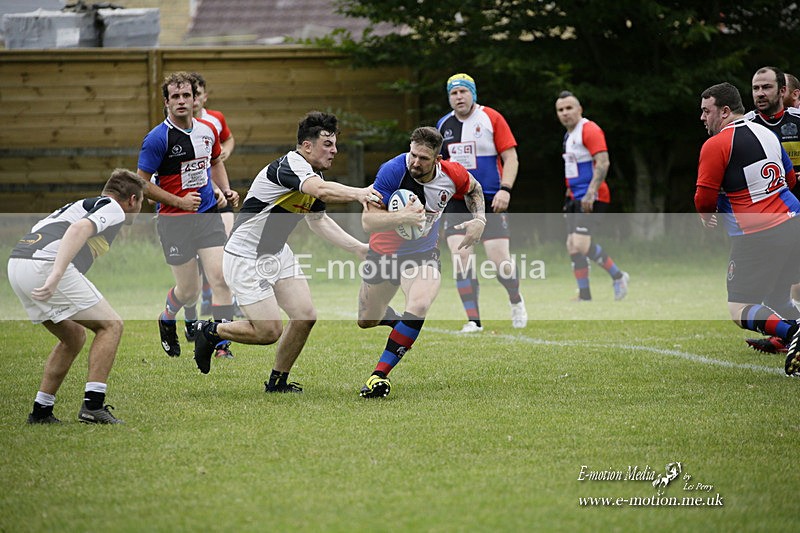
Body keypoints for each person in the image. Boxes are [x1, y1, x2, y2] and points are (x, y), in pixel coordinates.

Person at [192, 111, 382, 391]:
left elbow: (318, 221)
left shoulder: (313, 174)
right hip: (245, 256)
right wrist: (360, 193)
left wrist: (358, 248)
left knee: (305, 315)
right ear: (307, 146)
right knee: (269, 331)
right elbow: (322, 190)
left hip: (277, 253)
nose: (334, 150)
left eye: (335, 144)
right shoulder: (290, 166)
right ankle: (209, 331)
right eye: (327, 144)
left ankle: (277, 382)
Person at [356, 126, 486, 398]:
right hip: (383, 253)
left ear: (438, 159)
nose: (415, 162)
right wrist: (403, 217)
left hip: (422, 254)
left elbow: (475, 189)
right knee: (367, 319)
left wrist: (480, 220)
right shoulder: (392, 171)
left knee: (419, 304)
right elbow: (368, 222)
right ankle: (401, 324)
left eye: (423, 158)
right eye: (413, 154)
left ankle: (378, 375)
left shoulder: (452, 173)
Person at [8, 169, 145, 424]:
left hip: (18, 265)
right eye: (141, 203)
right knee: (111, 325)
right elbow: (78, 229)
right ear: (132, 200)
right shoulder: (114, 208)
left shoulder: (82, 205)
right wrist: (56, 273)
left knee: (73, 336)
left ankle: (41, 410)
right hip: (43, 266)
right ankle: (93, 406)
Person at [695, 82, 800, 378]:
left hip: (759, 233)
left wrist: (706, 215)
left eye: (706, 111)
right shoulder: (767, 133)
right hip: (794, 220)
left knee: (739, 308)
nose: (702, 117)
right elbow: (790, 179)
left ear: (725, 111)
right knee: (778, 296)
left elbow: (703, 197)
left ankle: (793, 333)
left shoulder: (717, 144)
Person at [137, 71, 240, 360]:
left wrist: (225, 190)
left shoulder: (207, 130)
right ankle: (167, 317)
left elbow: (215, 162)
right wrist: (179, 202)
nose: (181, 101)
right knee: (189, 291)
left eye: (186, 95)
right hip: (174, 222)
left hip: (207, 214)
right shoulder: (157, 139)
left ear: (196, 99)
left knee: (221, 278)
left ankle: (220, 344)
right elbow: (141, 183)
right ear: (167, 102)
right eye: (175, 96)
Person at [436, 73, 526, 333]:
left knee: (500, 262)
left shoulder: (491, 118)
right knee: (461, 259)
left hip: (489, 199)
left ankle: (516, 300)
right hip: (457, 201)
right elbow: (438, 167)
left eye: (463, 91)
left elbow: (511, 158)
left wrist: (505, 190)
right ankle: (473, 320)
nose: (459, 97)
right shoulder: (443, 125)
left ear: (473, 94)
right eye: (453, 93)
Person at [742, 66, 800, 354]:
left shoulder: (797, 122)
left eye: (766, 87)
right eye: (756, 88)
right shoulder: (745, 127)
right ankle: (790, 335)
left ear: (782, 91)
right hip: (769, 222)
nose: (760, 93)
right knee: (775, 290)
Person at [555, 91, 629, 302]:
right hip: (575, 197)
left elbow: (603, 162)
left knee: (580, 243)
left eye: (569, 108)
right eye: (560, 110)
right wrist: (569, 195)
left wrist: (590, 193)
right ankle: (585, 295)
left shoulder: (589, 129)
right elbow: (573, 168)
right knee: (572, 245)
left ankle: (619, 276)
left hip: (592, 196)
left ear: (579, 109)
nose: (565, 113)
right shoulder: (568, 136)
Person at [184, 72, 241, 333]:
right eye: (188, 95)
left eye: (196, 94)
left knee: (224, 247)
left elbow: (224, 145)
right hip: (195, 200)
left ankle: (224, 301)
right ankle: (196, 303)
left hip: (218, 195)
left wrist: (223, 188)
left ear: (204, 96)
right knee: (194, 264)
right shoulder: (176, 129)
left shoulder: (214, 120)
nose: (193, 99)